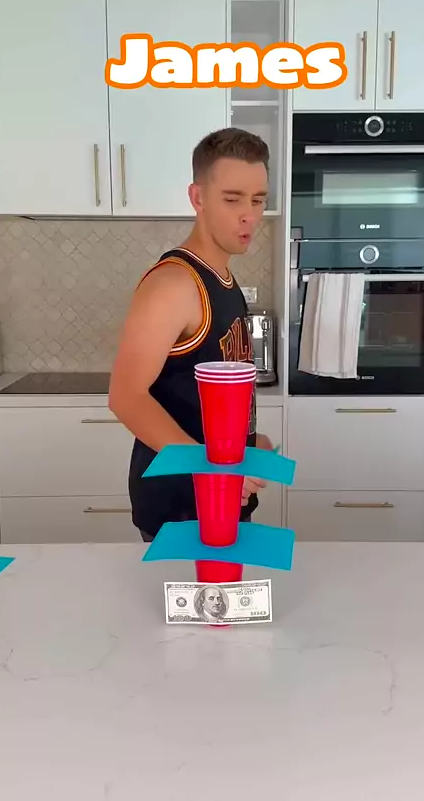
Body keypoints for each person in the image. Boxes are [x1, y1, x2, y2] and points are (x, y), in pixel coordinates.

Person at [108, 127, 273, 542]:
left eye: (258, 200)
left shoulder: (225, 281)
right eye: (232, 199)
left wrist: (249, 444)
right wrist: (211, 469)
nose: (249, 215)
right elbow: (126, 397)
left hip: (223, 499)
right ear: (198, 197)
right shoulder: (175, 284)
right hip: (181, 509)